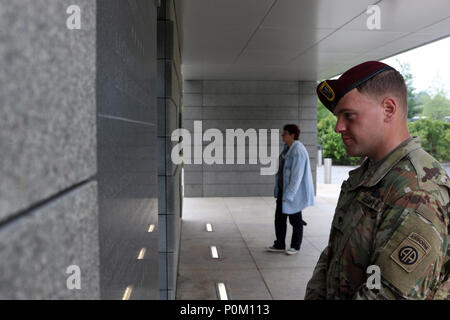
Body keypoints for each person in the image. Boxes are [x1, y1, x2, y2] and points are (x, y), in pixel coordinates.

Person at [305, 61, 450, 300]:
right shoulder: (370, 174)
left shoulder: (417, 189)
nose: (338, 127)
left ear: (388, 110)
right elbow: (334, 254)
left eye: (348, 115)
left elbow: (387, 295)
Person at [266, 124, 315, 255]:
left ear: (292, 135)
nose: (283, 136)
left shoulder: (298, 151)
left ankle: (295, 246)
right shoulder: (287, 149)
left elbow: (296, 177)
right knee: (279, 218)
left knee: (295, 220)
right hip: (283, 191)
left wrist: (289, 195)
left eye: (285, 133)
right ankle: (280, 244)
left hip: (293, 193)